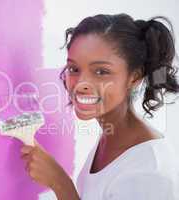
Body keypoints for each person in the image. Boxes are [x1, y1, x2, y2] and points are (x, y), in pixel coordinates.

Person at [20, 13, 179, 200]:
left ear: (134, 77)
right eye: (74, 69)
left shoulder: (149, 173)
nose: (81, 83)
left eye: (101, 71)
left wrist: (60, 182)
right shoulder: (111, 136)